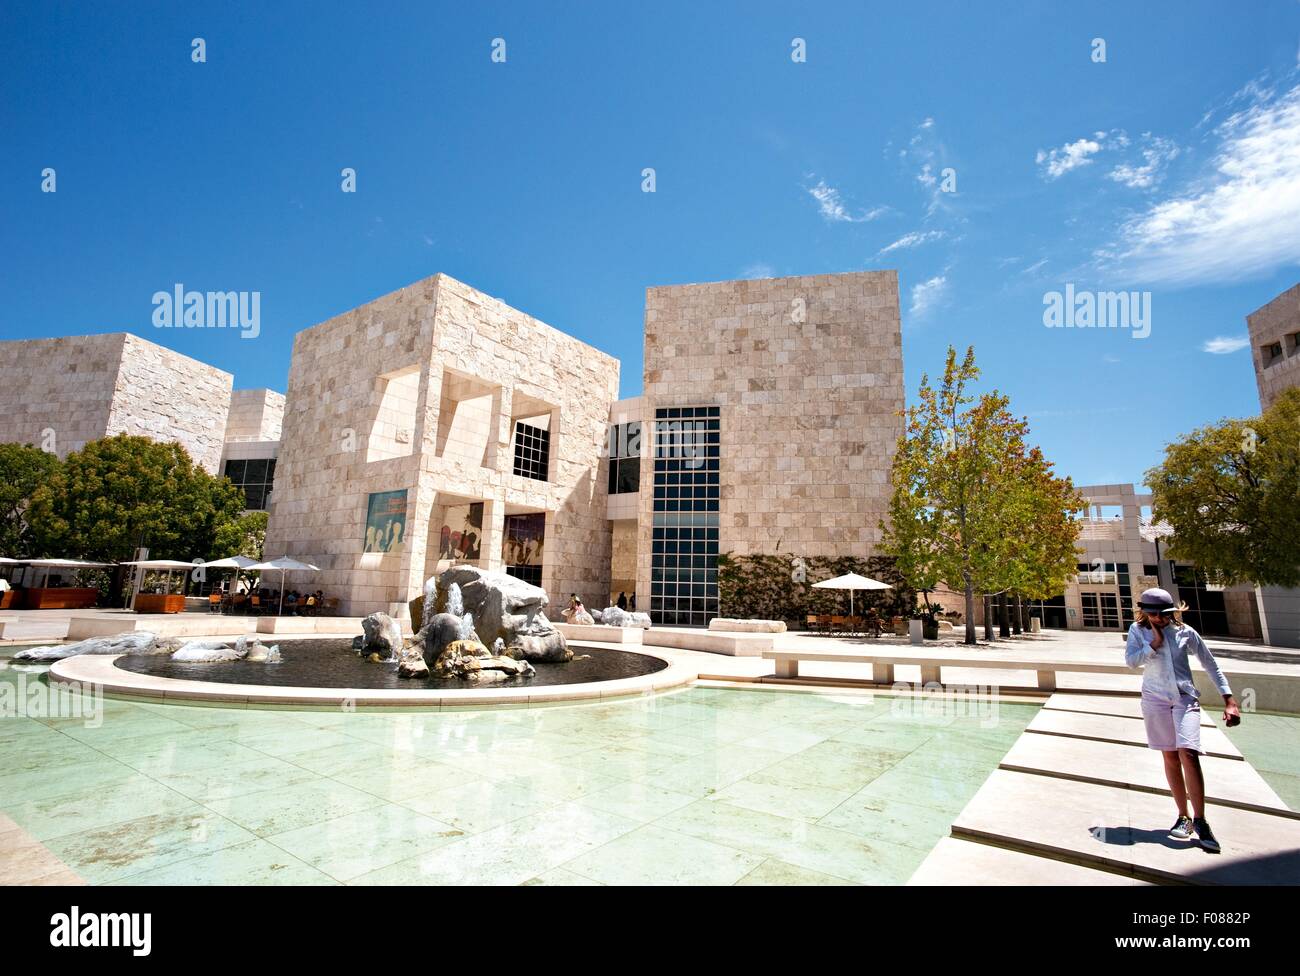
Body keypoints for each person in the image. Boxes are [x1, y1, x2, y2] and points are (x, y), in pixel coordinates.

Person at [1125, 587, 1239, 853]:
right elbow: (1131, 662)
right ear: (1144, 612)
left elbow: (1210, 664)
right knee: (1170, 756)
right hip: (1154, 699)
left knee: (1188, 752)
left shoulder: (1185, 632)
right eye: (1152, 613)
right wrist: (1153, 644)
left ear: (1172, 611)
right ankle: (1183, 816)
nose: (1158, 619)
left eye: (1162, 614)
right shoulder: (1137, 631)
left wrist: (1229, 699)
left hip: (1185, 697)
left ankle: (1201, 819)